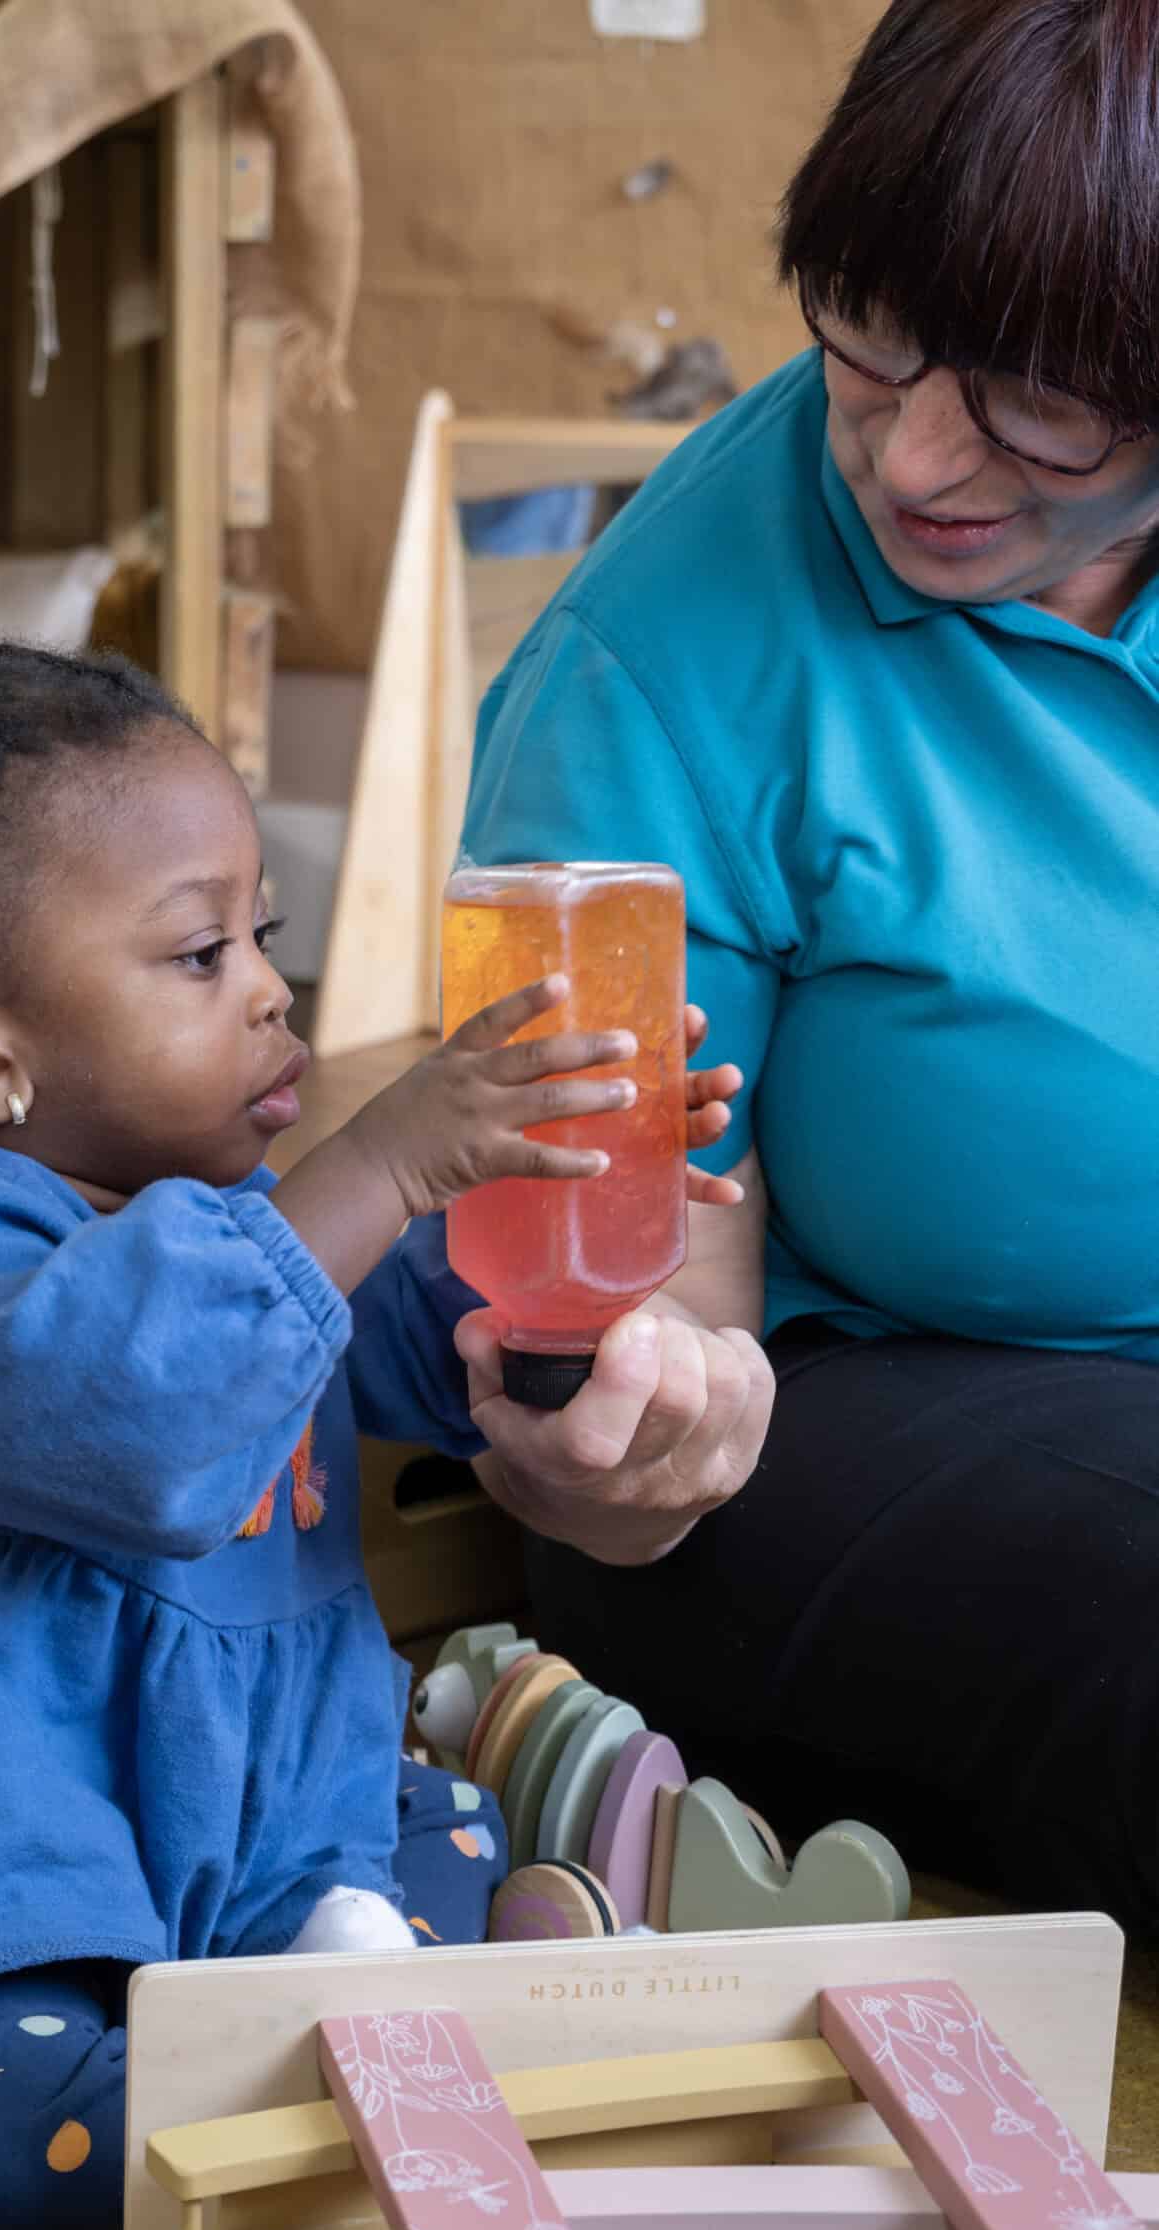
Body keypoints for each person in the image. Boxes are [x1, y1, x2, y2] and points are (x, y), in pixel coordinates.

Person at [0, 603, 741, 2230]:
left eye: (263, 937)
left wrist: (571, 1238)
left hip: (228, 1827)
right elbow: (132, 1417)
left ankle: (364, 1981)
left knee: (428, 1826)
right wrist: (382, 1167)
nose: (271, 1000)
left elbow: (436, 1349)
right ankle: (307, 2050)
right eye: (201, 957)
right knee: (0, 2159)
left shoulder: (238, 1207)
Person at [456, 0, 1159, 1935]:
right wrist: (631, 1427)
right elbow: (639, 1314)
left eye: (1040, 402)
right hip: (844, 1410)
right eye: (864, 337)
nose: (915, 450)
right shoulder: (661, 661)